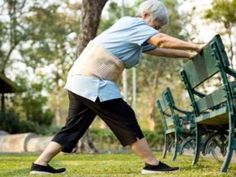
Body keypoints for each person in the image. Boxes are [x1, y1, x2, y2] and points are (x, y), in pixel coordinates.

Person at [30, 0, 203, 175]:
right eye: (156, 26)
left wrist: (188, 54)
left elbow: (157, 49)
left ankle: (40, 164)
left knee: (73, 127)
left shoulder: (132, 29)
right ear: (145, 15)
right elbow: (161, 42)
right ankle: (152, 164)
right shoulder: (134, 23)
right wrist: (196, 45)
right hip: (92, 80)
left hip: (80, 80)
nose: (156, 31)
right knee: (124, 116)